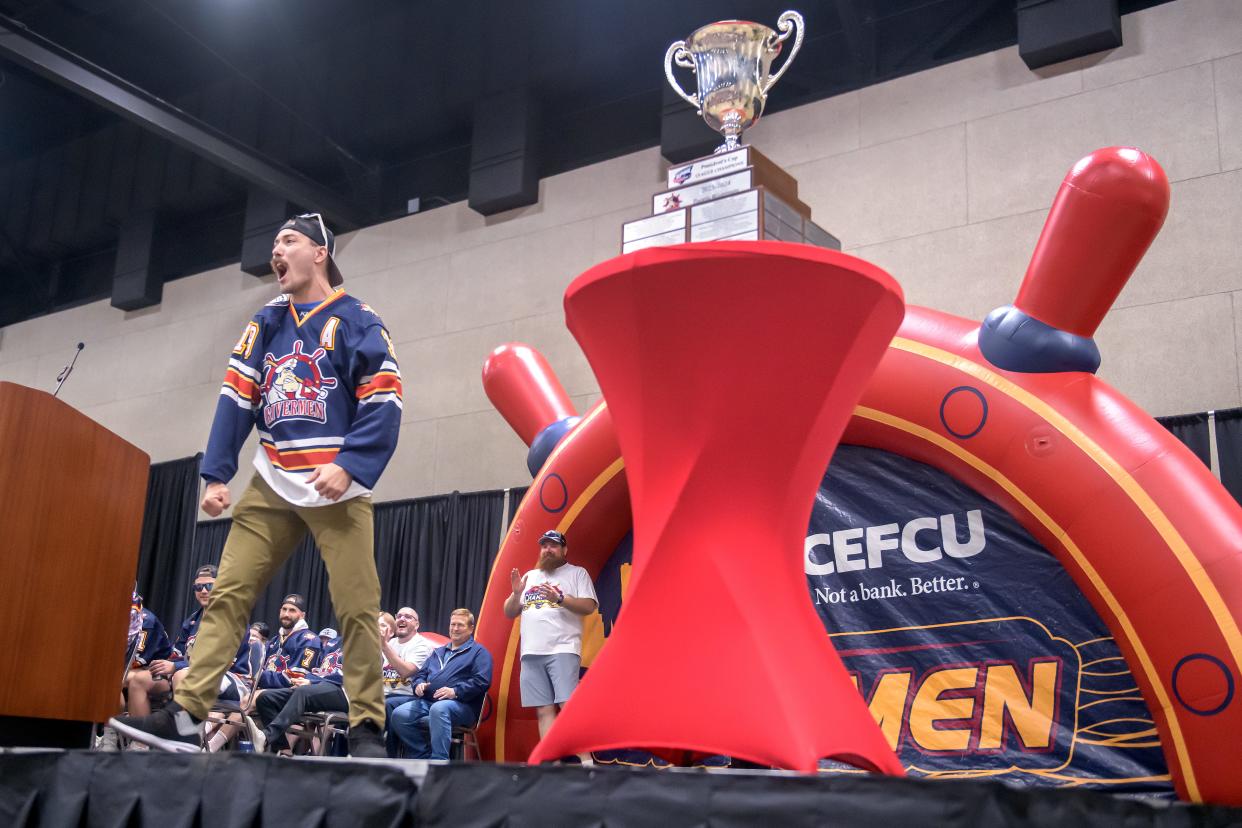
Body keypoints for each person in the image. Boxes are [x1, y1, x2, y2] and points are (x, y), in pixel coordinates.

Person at [109, 213, 402, 758]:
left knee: (358, 609)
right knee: (227, 594)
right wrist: (217, 473)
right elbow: (235, 397)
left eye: (288, 241)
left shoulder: (360, 318)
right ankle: (190, 713)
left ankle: (366, 728)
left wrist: (352, 464)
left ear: (319, 253)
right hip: (271, 482)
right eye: (274, 243)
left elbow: (385, 397)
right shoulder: (265, 322)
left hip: (336, 485)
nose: (277, 250)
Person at [503, 530, 598, 762]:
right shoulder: (531, 576)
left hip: (562, 649)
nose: (548, 549)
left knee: (568, 708)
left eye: (553, 546)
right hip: (531, 653)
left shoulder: (576, 573)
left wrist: (560, 599)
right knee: (543, 710)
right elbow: (509, 611)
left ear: (564, 550)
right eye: (544, 546)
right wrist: (516, 595)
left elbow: (589, 606)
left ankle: (587, 763)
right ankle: (550, 763)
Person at [389, 609, 492, 760]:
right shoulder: (438, 652)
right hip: (428, 701)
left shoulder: (478, 652)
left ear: (471, 628)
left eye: (460, 625)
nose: (455, 628)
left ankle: (439, 761)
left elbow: (482, 681)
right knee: (399, 715)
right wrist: (418, 685)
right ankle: (421, 756)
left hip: (462, 706)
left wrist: (455, 691)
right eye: (453, 624)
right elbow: (420, 674)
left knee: (439, 708)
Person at [254, 629, 346, 754]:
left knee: (302, 692)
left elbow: (347, 675)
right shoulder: (335, 642)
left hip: (345, 692)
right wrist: (306, 679)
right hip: (319, 686)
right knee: (265, 698)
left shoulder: (366, 646)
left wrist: (311, 682)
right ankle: (284, 751)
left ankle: (266, 736)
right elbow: (318, 668)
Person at [121, 594, 174, 720]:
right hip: (131, 669)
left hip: (156, 672)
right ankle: (109, 731)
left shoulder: (145, 622)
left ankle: (127, 734)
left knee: (114, 680)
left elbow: (139, 662)